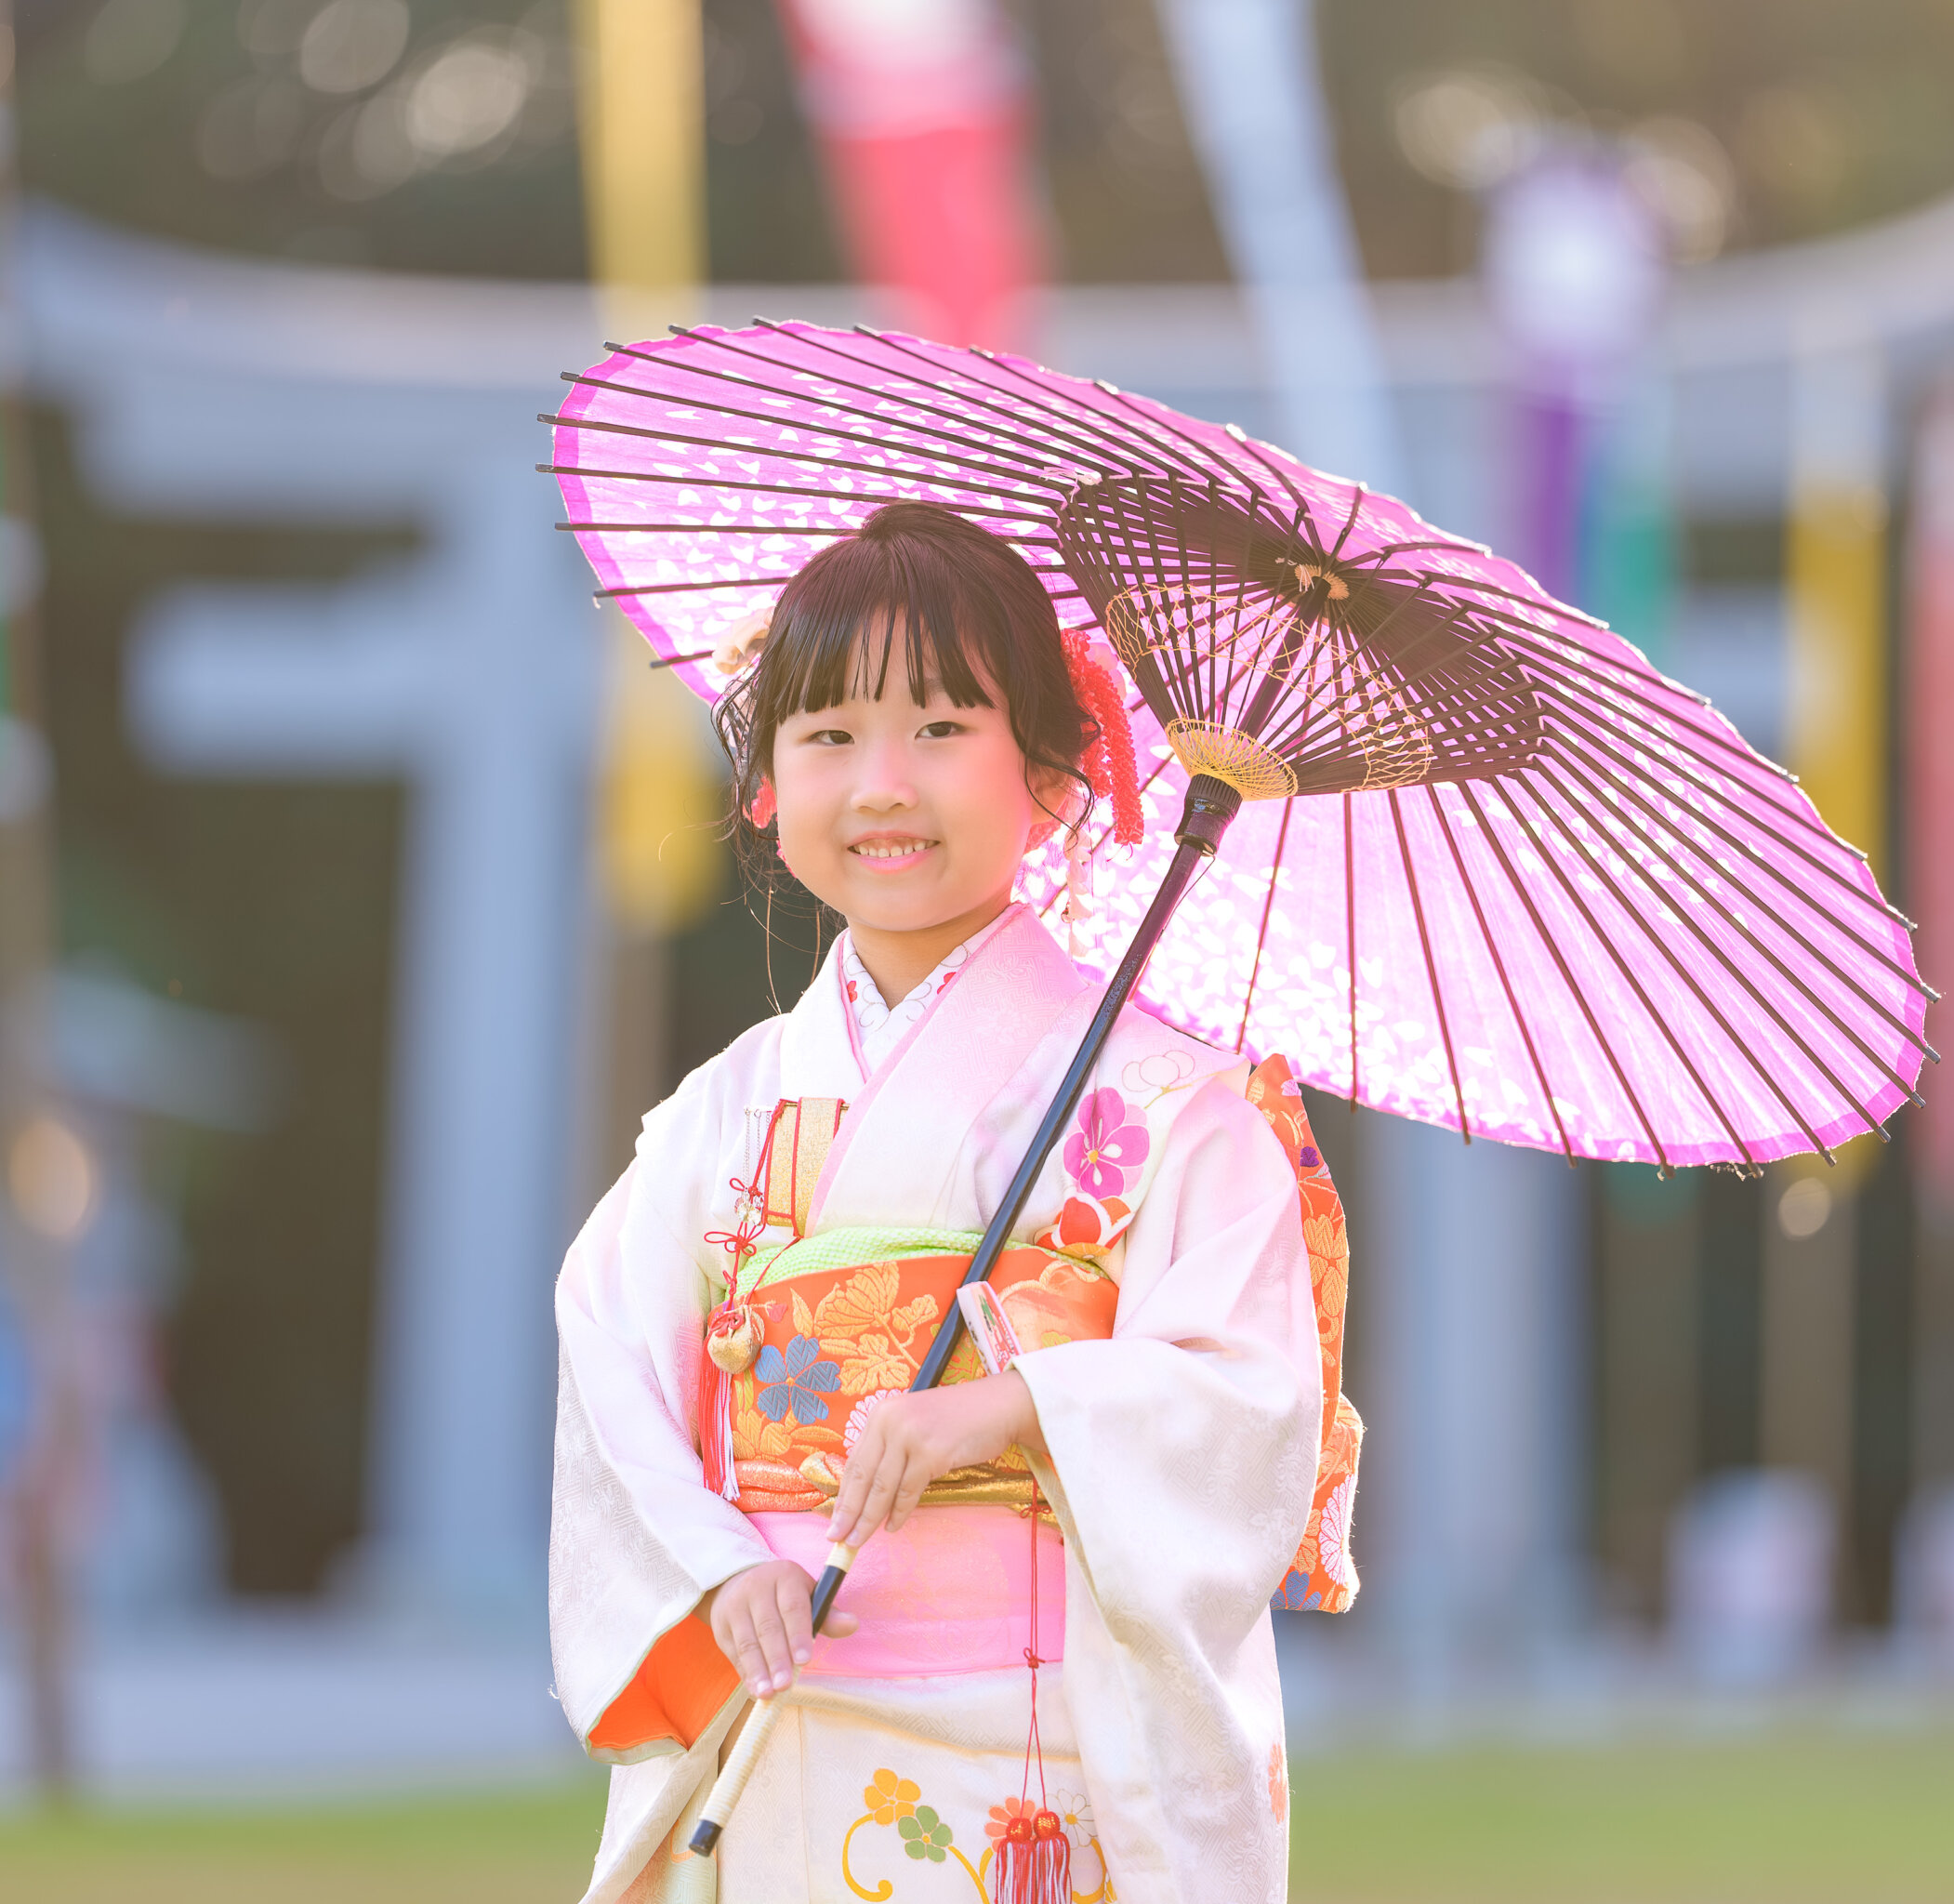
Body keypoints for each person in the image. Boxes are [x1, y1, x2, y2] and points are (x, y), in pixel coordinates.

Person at [550, 502, 1361, 1904]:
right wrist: (710, 1566)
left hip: (1038, 1755)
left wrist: (1005, 1408)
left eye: (939, 729)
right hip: (786, 1715)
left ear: (1055, 773)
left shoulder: (1172, 1107)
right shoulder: (722, 1112)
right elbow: (612, 1357)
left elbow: (1250, 1404)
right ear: (764, 787)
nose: (881, 783)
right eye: (826, 736)